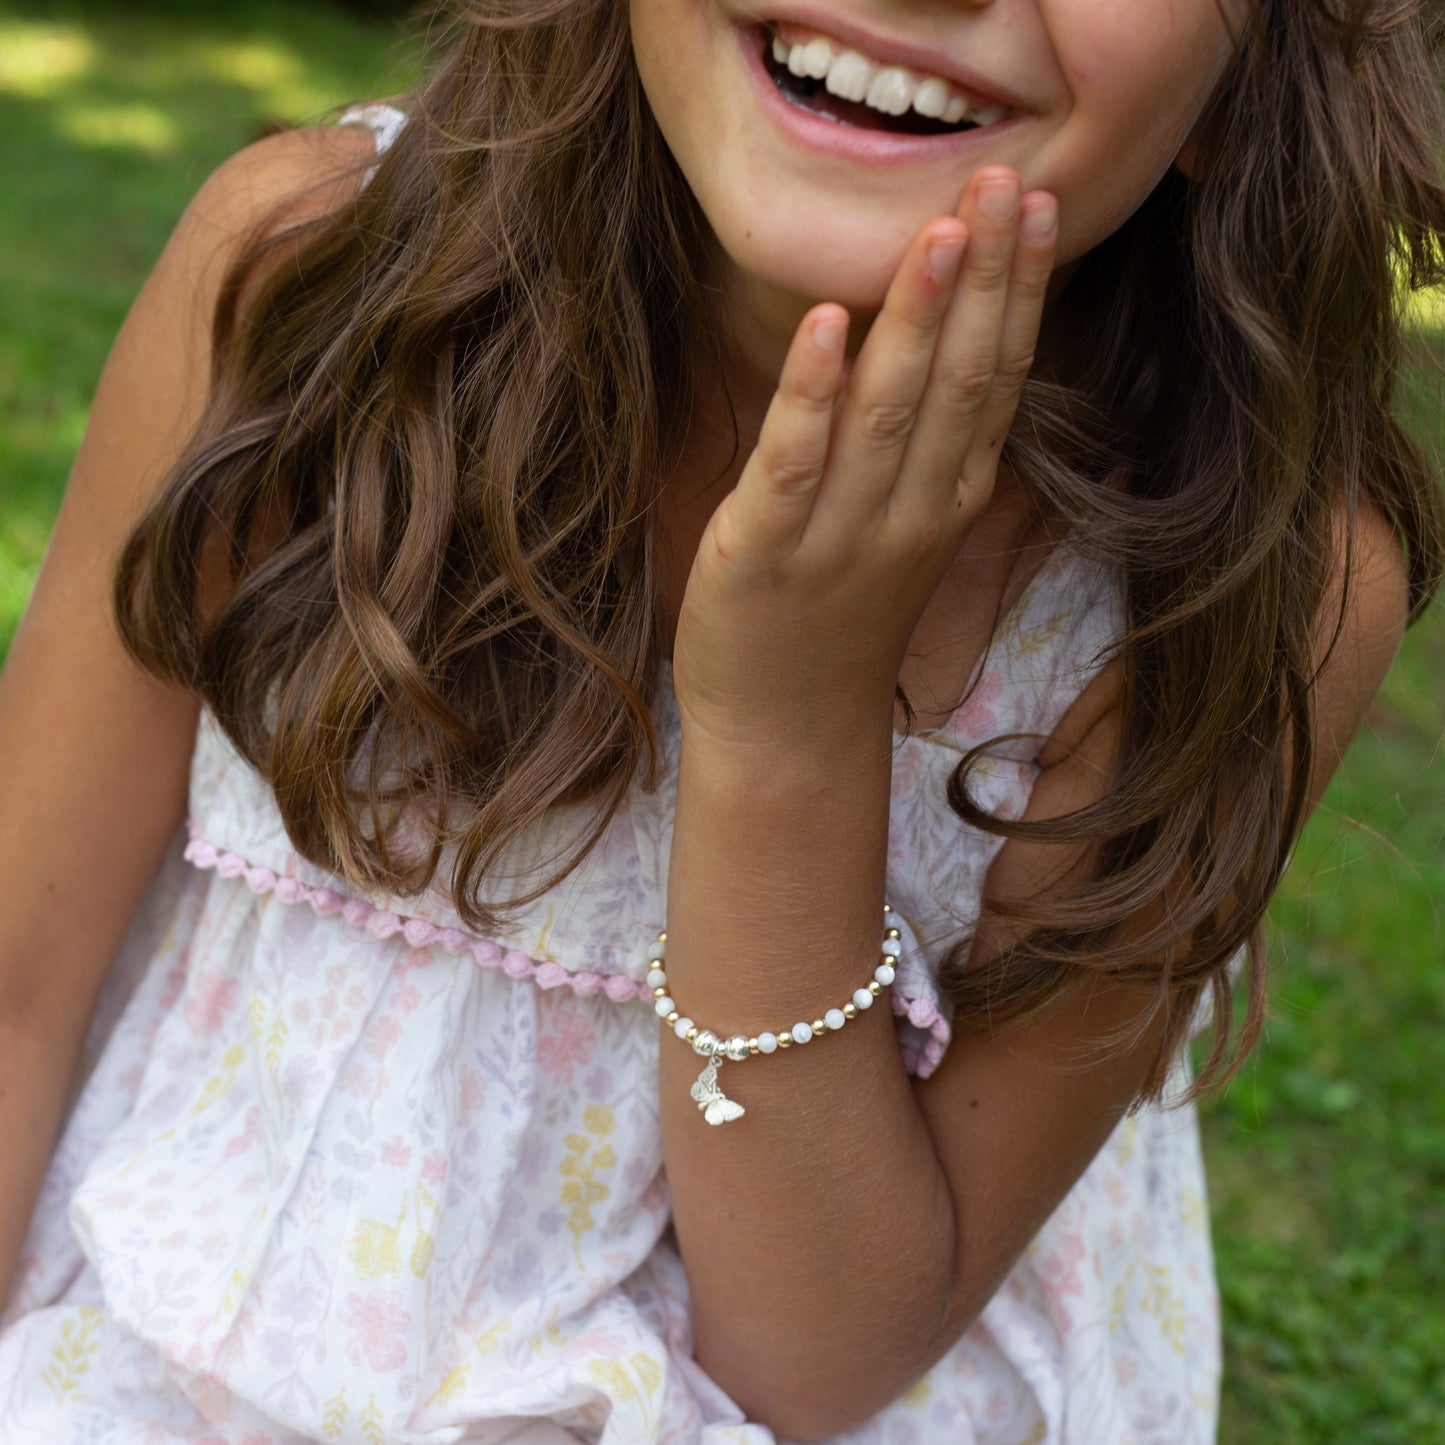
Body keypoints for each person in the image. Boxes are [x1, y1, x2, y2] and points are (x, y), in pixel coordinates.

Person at [0, 0, 1441, 1440]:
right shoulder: (299, 285)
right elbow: (18, 986)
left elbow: (811, 1361)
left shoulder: (1239, 586)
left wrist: (788, 734)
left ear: (1258, 60)